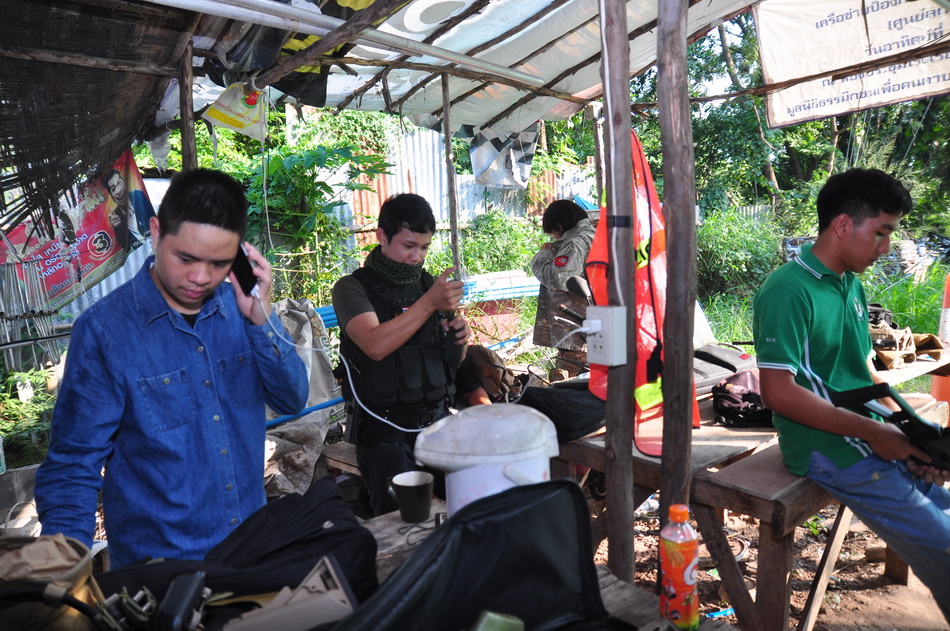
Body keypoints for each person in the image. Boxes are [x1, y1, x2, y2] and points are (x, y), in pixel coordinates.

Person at [34, 168, 309, 569]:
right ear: (156, 231)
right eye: (185, 258)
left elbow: (292, 398)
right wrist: (61, 573)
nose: (200, 278)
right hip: (159, 569)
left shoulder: (243, 310)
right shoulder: (105, 331)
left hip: (250, 551)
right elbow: (72, 466)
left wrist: (261, 319)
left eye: (219, 263)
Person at [753, 167, 950, 623]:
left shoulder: (850, 284)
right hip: (826, 449)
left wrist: (911, 434)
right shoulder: (787, 289)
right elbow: (777, 393)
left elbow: (863, 371)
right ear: (843, 225)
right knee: (944, 546)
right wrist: (876, 434)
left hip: (865, 436)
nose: (886, 247)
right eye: (882, 232)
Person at [332, 193, 471, 516]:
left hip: (437, 426)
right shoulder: (351, 288)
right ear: (382, 236)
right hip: (385, 434)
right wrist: (429, 304)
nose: (416, 257)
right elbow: (374, 345)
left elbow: (453, 364)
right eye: (409, 246)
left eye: (424, 247)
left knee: (459, 518)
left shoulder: (429, 285)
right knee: (402, 526)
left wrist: (459, 338)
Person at [530, 199, 595, 379]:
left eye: (553, 233)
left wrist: (544, 255)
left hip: (575, 327)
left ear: (559, 225)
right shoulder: (596, 236)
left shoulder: (575, 243)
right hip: (594, 322)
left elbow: (559, 280)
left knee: (575, 377)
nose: (555, 239)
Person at [102, 168, 155, 252]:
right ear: (111, 196)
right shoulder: (115, 216)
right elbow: (126, 248)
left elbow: (154, 223)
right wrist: (118, 228)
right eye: (113, 189)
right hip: (140, 254)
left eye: (119, 183)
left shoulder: (138, 196)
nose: (118, 191)